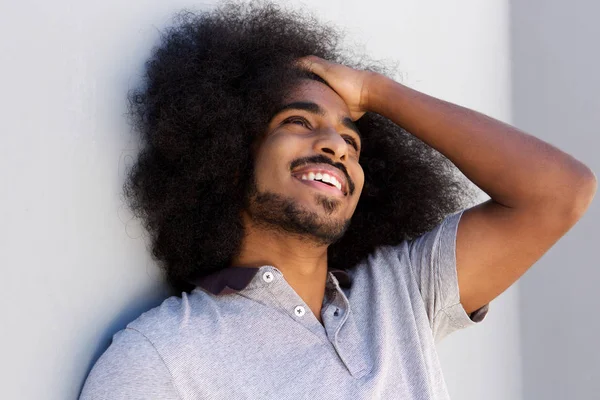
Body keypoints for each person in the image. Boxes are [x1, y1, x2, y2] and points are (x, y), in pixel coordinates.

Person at [80, 1, 596, 399]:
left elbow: (559, 193)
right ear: (231, 154)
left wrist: (377, 93)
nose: (334, 146)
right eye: (298, 122)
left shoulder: (404, 294)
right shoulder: (161, 356)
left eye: (353, 142)